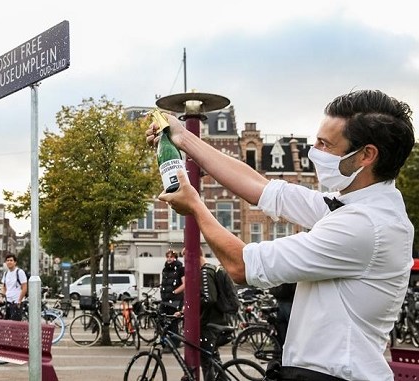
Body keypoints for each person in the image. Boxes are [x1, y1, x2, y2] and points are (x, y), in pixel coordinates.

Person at [147, 90, 415, 380]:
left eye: (326, 145)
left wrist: (196, 206)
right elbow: (262, 187)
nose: (314, 151)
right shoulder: (356, 205)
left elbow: (242, 266)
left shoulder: (365, 225)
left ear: (366, 155)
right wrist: (183, 137)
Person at [199, 252, 231, 381]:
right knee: (212, 359)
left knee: (208, 361)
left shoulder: (205, 272)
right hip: (215, 320)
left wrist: (194, 305)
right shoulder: (211, 269)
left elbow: (209, 299)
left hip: (210, 322)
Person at [159, 249, 185, 351]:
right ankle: (166, 341)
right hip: (165, 299)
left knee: (173, 323)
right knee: (162, 320)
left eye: (171, 257)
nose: (169, 259)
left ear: (175, 258)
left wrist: (174, 292)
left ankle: (173, 343)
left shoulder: (180, 269)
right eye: (168, 257)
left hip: (175, 301)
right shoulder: (165, 269)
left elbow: (185, 284)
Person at [1, 254, 27, 321]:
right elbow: (4, 287)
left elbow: (24, 287)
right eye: (7, 260)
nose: (9, 262)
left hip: (16, 302)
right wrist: (1, 298)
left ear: (15, 262)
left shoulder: (19, 272)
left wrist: (19, 300)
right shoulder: (6, 273)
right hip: (8, 301)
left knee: (15, 323)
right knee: (7, 323)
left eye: (11, 260)